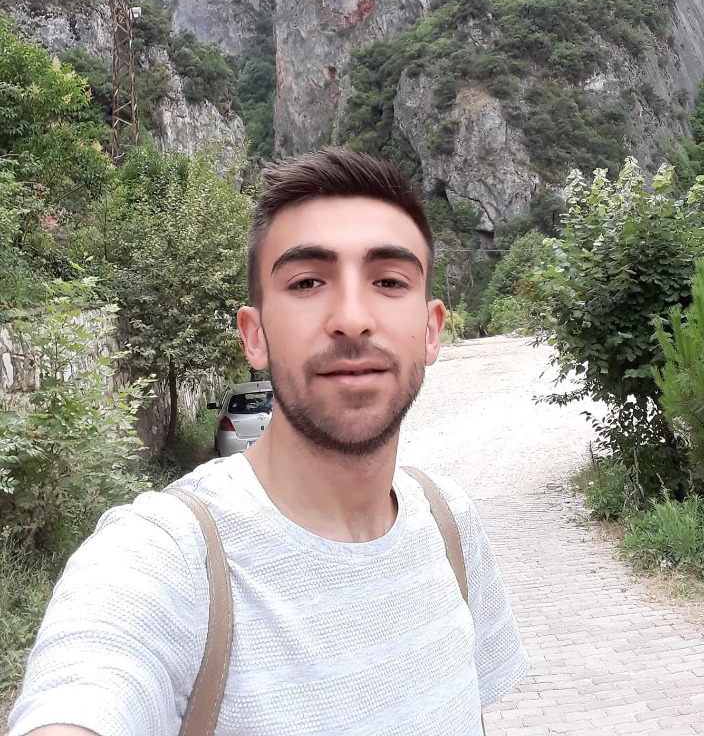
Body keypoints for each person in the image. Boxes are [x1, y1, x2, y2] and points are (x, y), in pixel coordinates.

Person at [9, 148, 529, 736]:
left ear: (431, 331)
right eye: (307, 282)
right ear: (254, 337)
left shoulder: (449, 523)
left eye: (389, 281)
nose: (351, 318)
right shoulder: (168, 557)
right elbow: (85, 686)